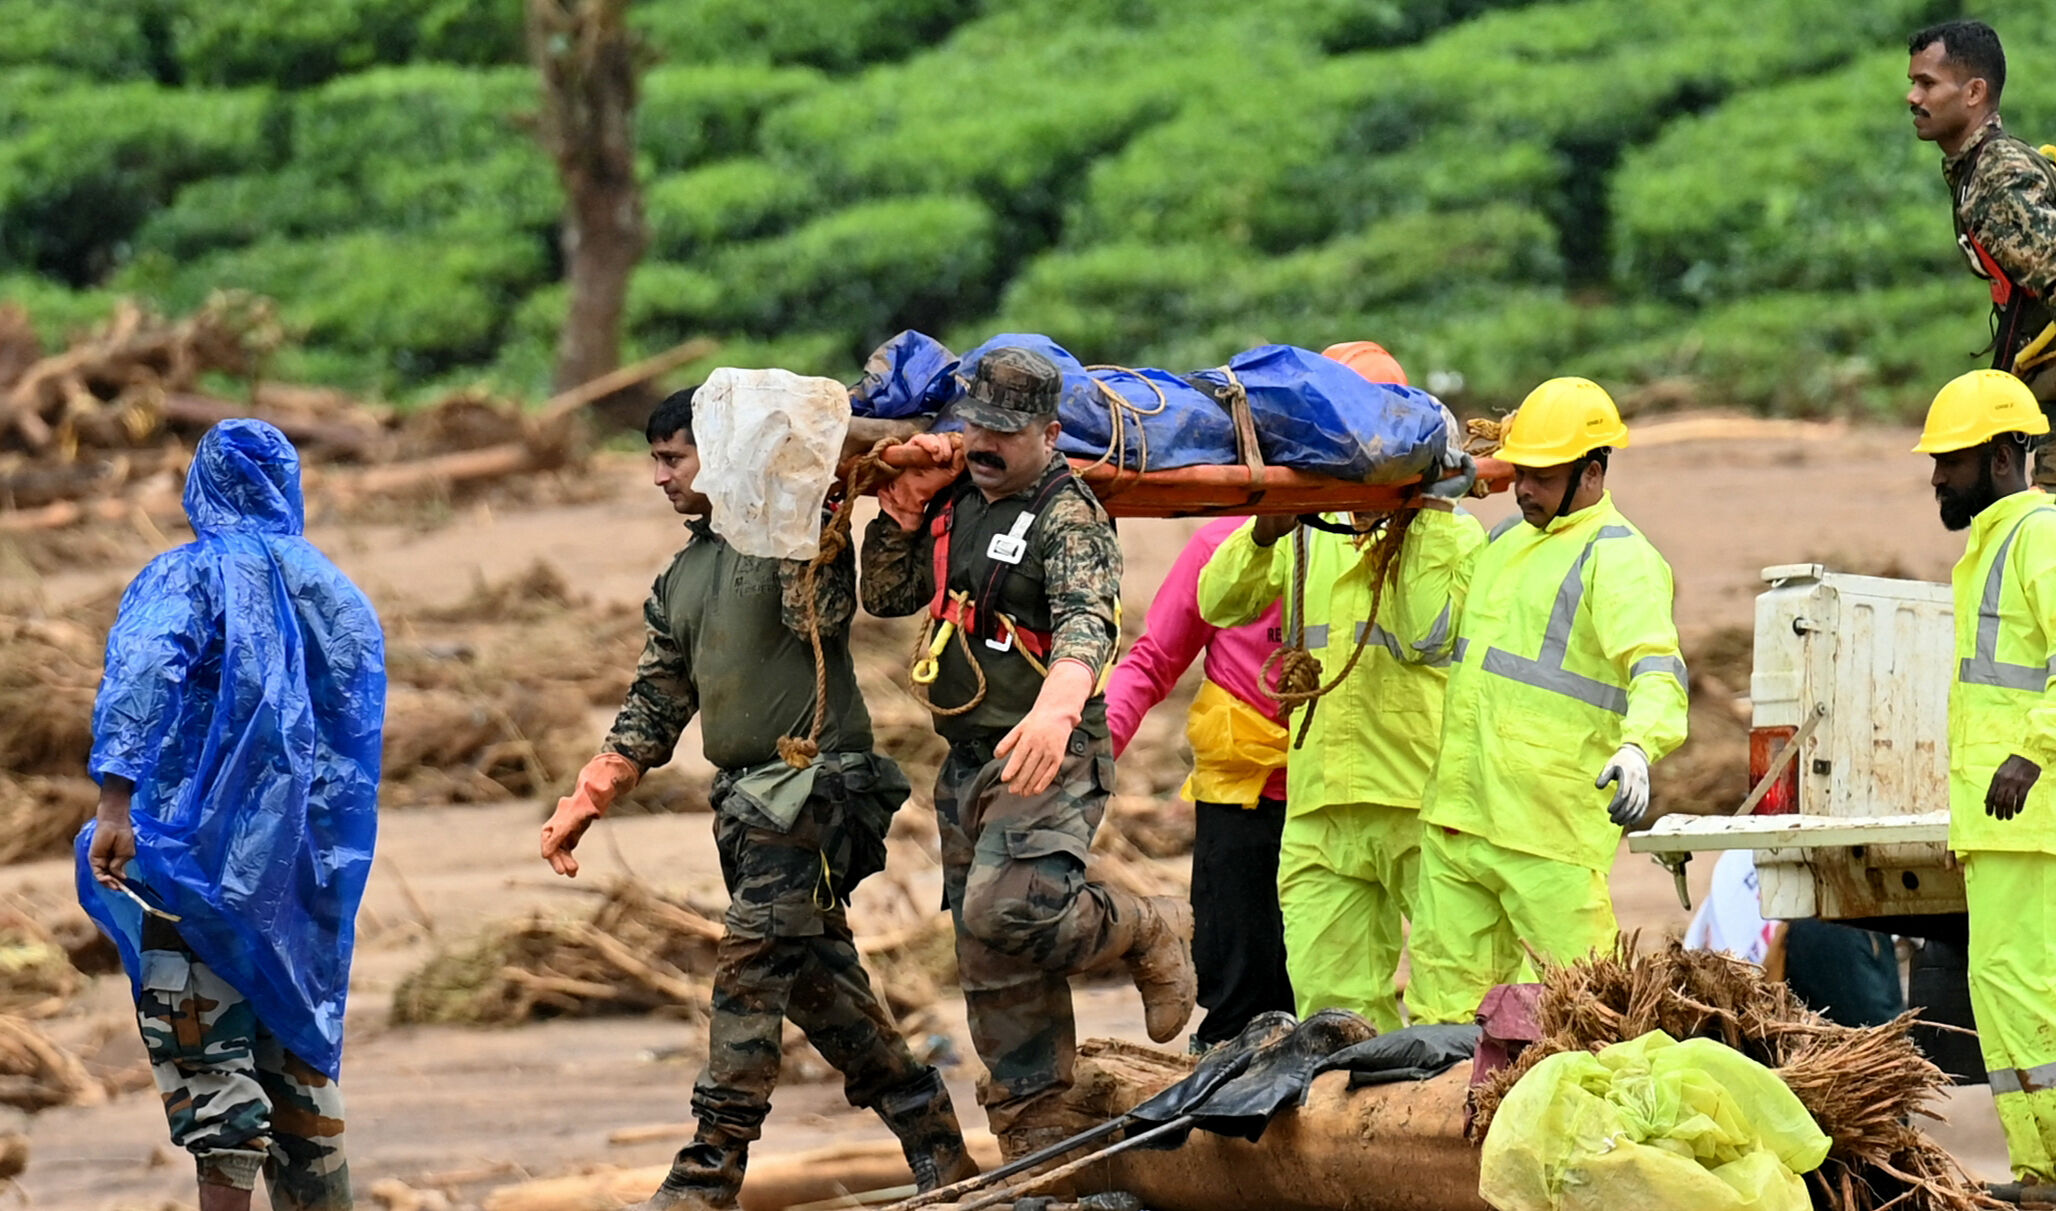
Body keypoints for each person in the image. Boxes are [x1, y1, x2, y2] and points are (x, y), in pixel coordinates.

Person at [541, 391, 975, 1211]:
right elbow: (655, 703)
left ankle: (704, 1178)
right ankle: (936, 1143)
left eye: (674, 458)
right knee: (822, 987)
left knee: (748, 972)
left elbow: (832, 609)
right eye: (655, 459)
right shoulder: (682, 577)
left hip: (815, 794)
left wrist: (808, 496)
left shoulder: (793, 536)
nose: (658, 476)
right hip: (747, 806)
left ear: (722, 456)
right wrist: (586, 797)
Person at [859, 346, 1197, 1159]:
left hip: (1051, 749)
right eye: (977, 424)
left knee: (1006, 907)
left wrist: (1055, 711)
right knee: (988, 954)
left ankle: (1145, 925)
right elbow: (888, 596)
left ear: (1048, 432)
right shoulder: (953, 500)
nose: (985, 443)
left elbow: (1090, 621)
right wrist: (902, 519)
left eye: (1006, 432)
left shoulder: (1067, 513)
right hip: (969, 757)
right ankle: (1035, 1128)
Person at [77, 420, 384, 1211]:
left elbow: (147, 668)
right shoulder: (333, 591)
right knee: (300, 1072)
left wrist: (117, 799)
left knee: (210, 1070)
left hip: (185, 858)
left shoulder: (187, 576)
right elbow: (352, 727)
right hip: (301, 873)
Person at [1193, 343, 1485, 1032]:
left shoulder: (1457, 538)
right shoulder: (1304, 534)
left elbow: (1426, 632)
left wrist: (1428, 520)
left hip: (1422, 797)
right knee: (1332, 1011)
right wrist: (1264, 530)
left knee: (1454, 998)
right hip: (1323, 804)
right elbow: (1220, 600)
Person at [1407, 377, 1689, 1026]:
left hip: (1549, 831)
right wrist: (1430, 520)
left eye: (1541, 476)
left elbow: (1655, 666)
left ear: (1591, 473)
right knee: (1442, 1021)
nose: (1524, 488)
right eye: (1519, 473)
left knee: (1580, 1017)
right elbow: (1429, 636)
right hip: (1460, 818)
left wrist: (1640, 745)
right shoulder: (1503, 543)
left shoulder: (1619, 557)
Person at [1917, 367, 2056, 1184]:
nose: (1935, 475)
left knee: (2024, 993)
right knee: (2006, 995)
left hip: (2034, 818)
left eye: (1951, 459)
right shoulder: (1997, 542)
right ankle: (2039, 1168)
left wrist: (2033, 750)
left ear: (2004, 455)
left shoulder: (2037, 534)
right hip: (2007, 828)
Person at [1103, 517, 1296, 1052]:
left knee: (1331, 987)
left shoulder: (1367, 539)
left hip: (1342, 796)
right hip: (1238, 796)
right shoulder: (1219, 544)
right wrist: (1093, 753)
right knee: (1235, 993)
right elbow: (1154, 659)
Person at [1908, 20, 2056, 485]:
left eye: (1927, 83)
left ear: (1974, 92)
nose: (1913, 97)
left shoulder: (1998, 175)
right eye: (1913, 83)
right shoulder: (1977, 169)